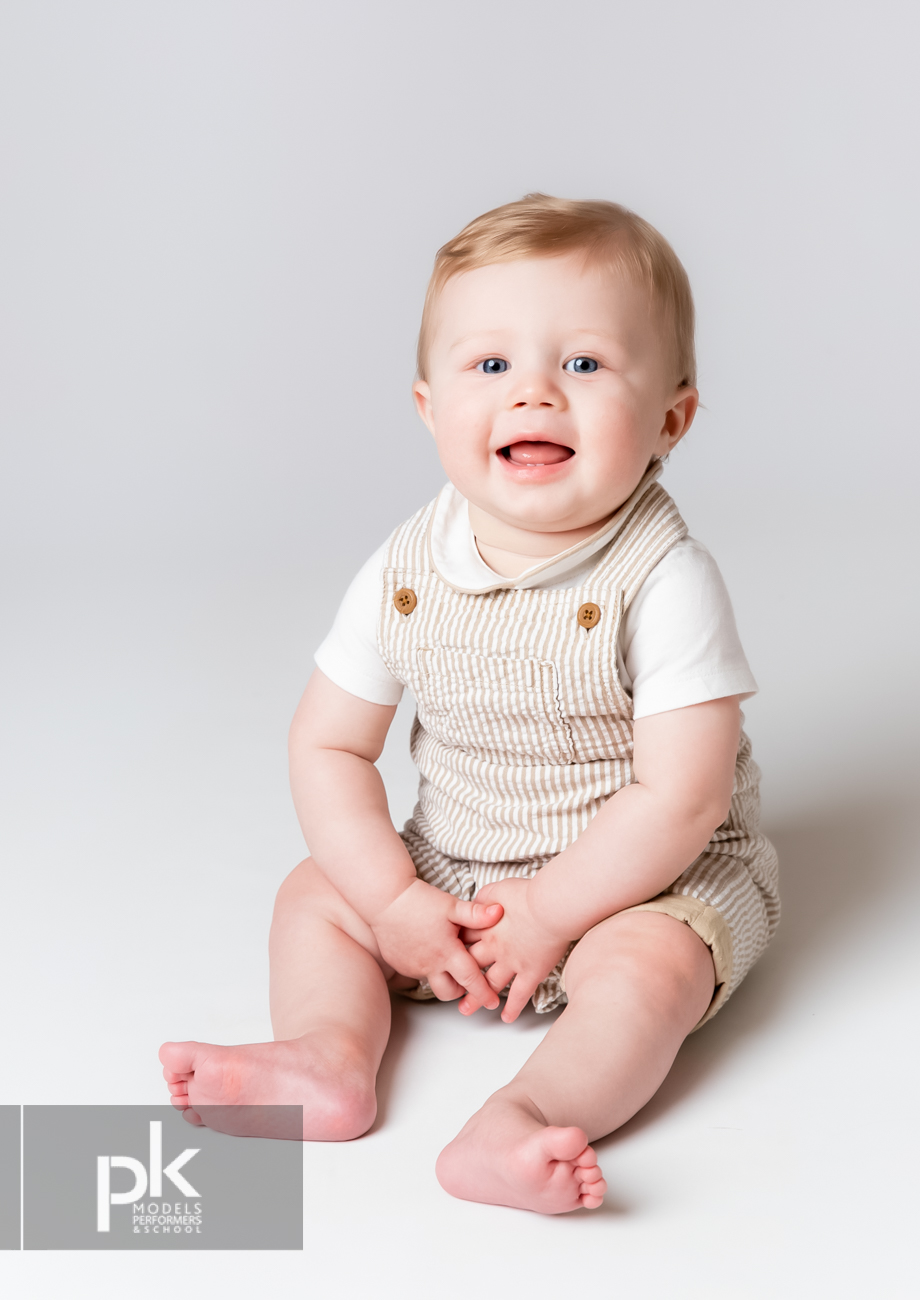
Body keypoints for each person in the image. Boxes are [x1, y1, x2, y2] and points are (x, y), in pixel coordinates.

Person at [160, 194, 779, 1215]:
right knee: (315, 894)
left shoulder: (665, 578)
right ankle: (327, 1055)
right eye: (490, 365)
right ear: (428, 406)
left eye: (583, 363)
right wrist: (395, 903)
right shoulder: (404, 568)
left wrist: (551, 911)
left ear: (670, 418)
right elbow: (327, 746)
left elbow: (683, 799)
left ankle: (524, 1116)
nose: (533, 392)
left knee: (653, 969)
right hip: (459, 869)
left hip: (640, 881)